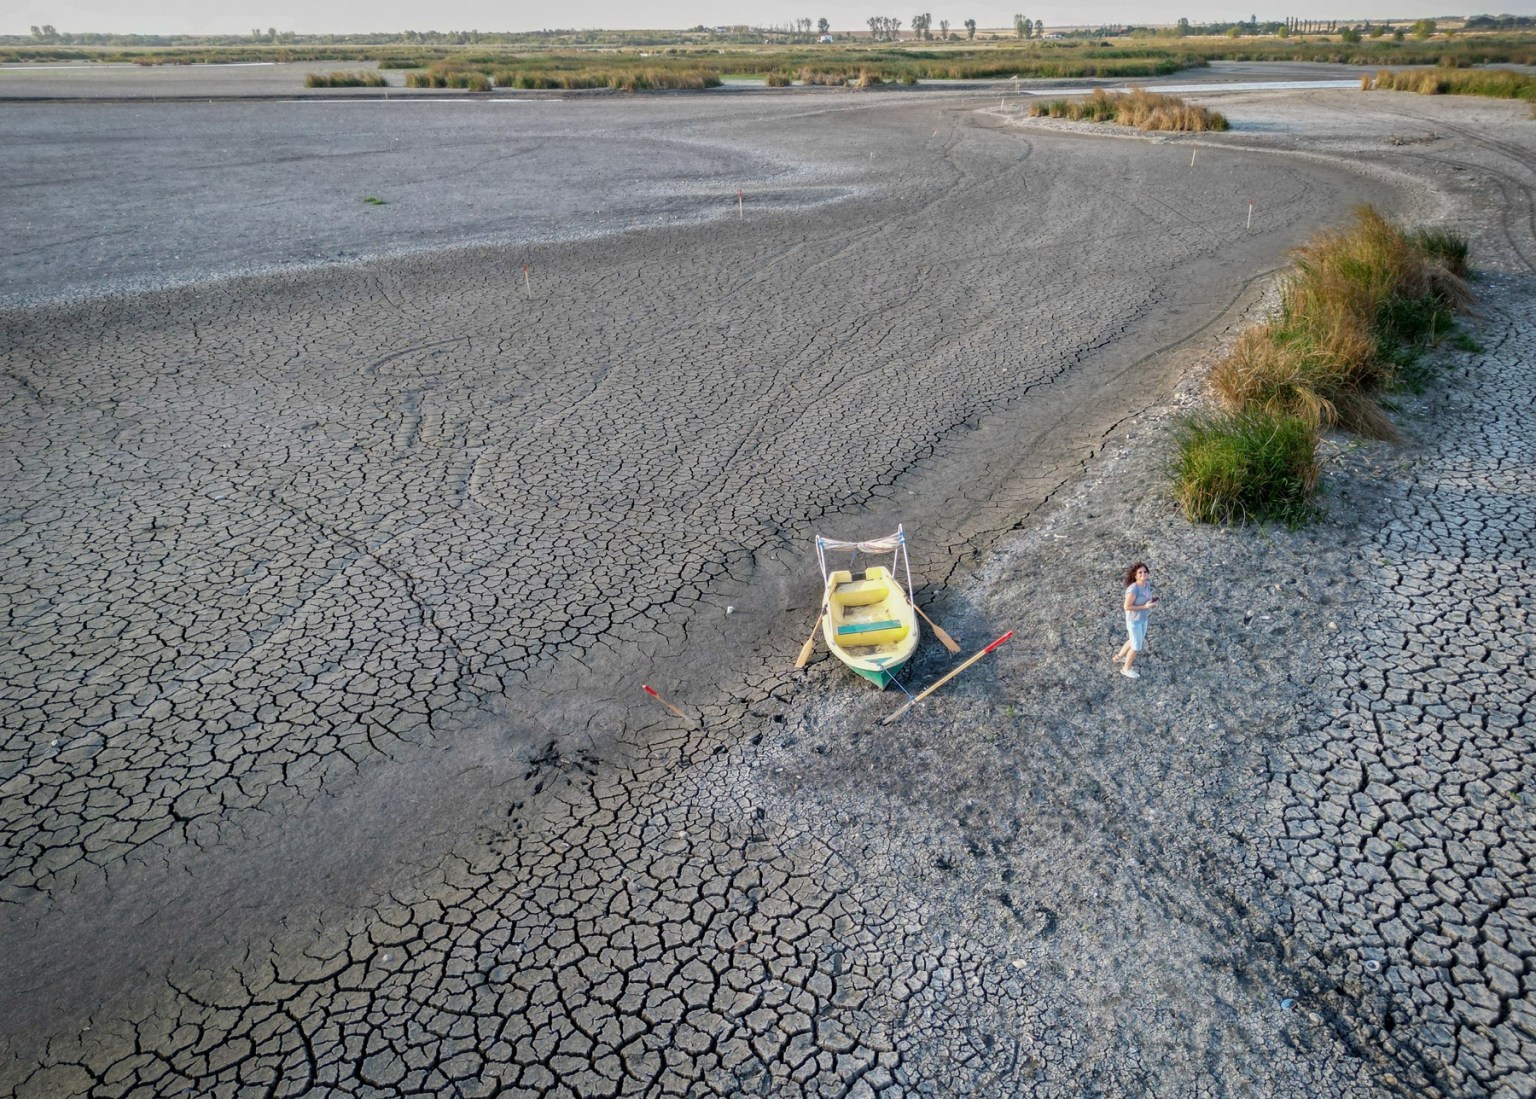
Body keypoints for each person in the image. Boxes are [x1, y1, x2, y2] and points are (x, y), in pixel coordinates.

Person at [1115, 561, 1158, 679]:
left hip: (1143, 618)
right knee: (1136, 647)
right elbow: (1127, 606)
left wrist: (1150, 603)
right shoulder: (1133, 589)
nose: (1143, 574)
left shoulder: (1146, 585)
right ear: (1135, 575)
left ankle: (1119, 657)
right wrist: (1145, 607)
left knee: (1134, 639)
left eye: (1145, 572)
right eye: (1140, 572)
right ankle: (1126, 669)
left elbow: (1145, 599)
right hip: (1134, 621)